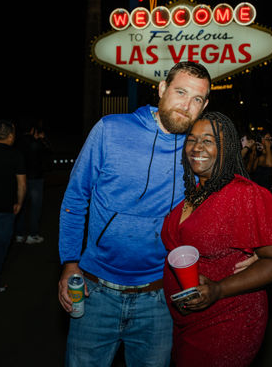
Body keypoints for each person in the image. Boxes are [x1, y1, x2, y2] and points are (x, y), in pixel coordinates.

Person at [58, 61, 211, 367]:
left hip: (160, 296)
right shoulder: (111, 129)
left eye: (197, 99)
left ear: (204, 105)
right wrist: (70, 262)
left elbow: (225, 204)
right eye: (180, 92)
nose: (186, 105)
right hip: (95, 290)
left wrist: (251, 251)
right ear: (162, 89)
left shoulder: (199, 151)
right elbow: (76, 196)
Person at [161, 112, 272, 367]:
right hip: (186, 320)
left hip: (227, 320)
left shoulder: (246, 195)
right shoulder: (195, 191)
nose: (197, 147)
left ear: (228, 148)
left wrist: (219, 289)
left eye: (208, 140)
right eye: (192, 139)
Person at [0, 120, 26, 294]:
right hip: (5, 208)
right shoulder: (16, 155)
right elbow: (21, 185)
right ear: (11, 135)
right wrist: (19, 203)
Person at [15, 118, 52, 244]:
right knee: (35, 208)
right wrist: (42, 139)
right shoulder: (36, 143)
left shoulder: (16, 142)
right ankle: (32, 234)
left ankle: (19, 234)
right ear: (32, 130)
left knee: (21, 205)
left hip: (20, 177)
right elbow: (48, 154)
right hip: (36, 178)